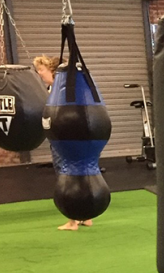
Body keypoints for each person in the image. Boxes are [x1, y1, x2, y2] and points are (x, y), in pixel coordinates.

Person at [34, 55, 93, 232]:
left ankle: (72, 220)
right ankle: (86, 216)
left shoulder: (60, 90)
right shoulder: (56, 88)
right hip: (66, 138)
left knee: (65, 177)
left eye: (41, 70)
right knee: (79, 174)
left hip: (65, 140)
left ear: (51, 70)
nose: (39, 74)